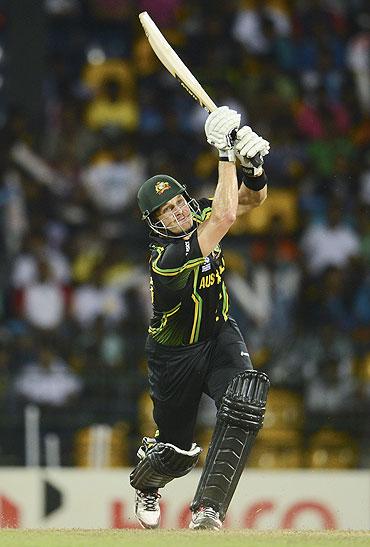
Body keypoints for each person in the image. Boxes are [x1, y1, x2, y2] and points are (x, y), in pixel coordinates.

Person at [130, 106, 271, 530]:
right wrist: (226, 153)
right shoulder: (167, 260)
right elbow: (227, 216)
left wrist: (255, 167)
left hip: (219, 336)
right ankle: (147, 483)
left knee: (245, 398)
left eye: (178, 203)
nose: (178, 214)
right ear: (155, 224)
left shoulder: (201, 212)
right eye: (166, 213)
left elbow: (250, 201)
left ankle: (209, 510)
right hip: (175, 356)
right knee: (176, 453)